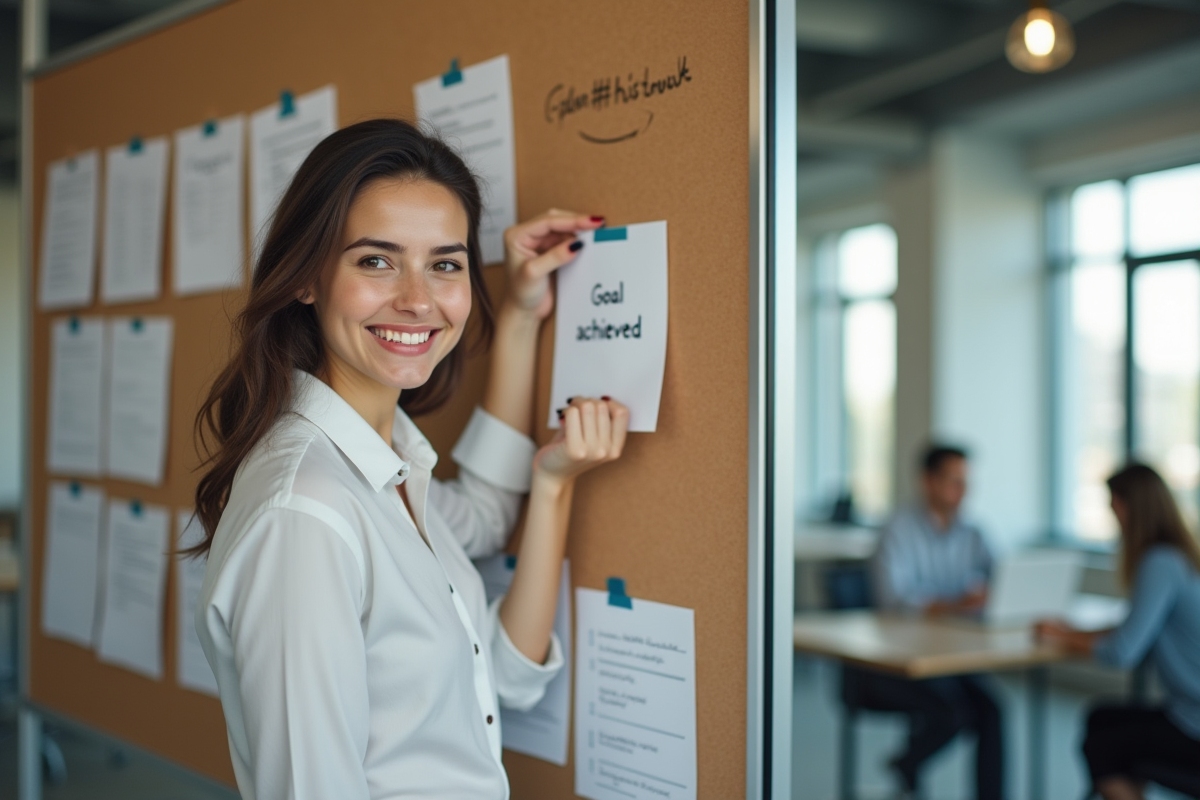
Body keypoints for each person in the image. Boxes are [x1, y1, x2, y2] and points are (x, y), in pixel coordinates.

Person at [189, 118, 628, 799]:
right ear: (306, 277)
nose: (418, 299)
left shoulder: (384, 466)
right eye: (376, 260)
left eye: (445, 265)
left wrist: (519, 324)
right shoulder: (307, 511)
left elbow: (482, 530)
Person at [1036, 464, 1200, 800]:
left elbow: (1122, 652)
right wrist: (1078, 630)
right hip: (1189, 712)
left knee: (1100, 745)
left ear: (1125, 508)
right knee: (1101, 718)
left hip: (1194, 725)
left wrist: (1063, 637)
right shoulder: (1181, 556)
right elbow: (1138, 625)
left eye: (1113, 508)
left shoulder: (1159, 562)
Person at [865, 444, 1004, 800]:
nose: (962, 491)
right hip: (899, 658)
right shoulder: (897, 529)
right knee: (953, 711)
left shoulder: (972, 533)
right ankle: (905, 765)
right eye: (953, 481)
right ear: (928, 481)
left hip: (952, 654)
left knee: (993, 711)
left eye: (965, 482)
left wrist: (994, 596)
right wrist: (956, 603)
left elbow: (999, 578)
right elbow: (894, 600)